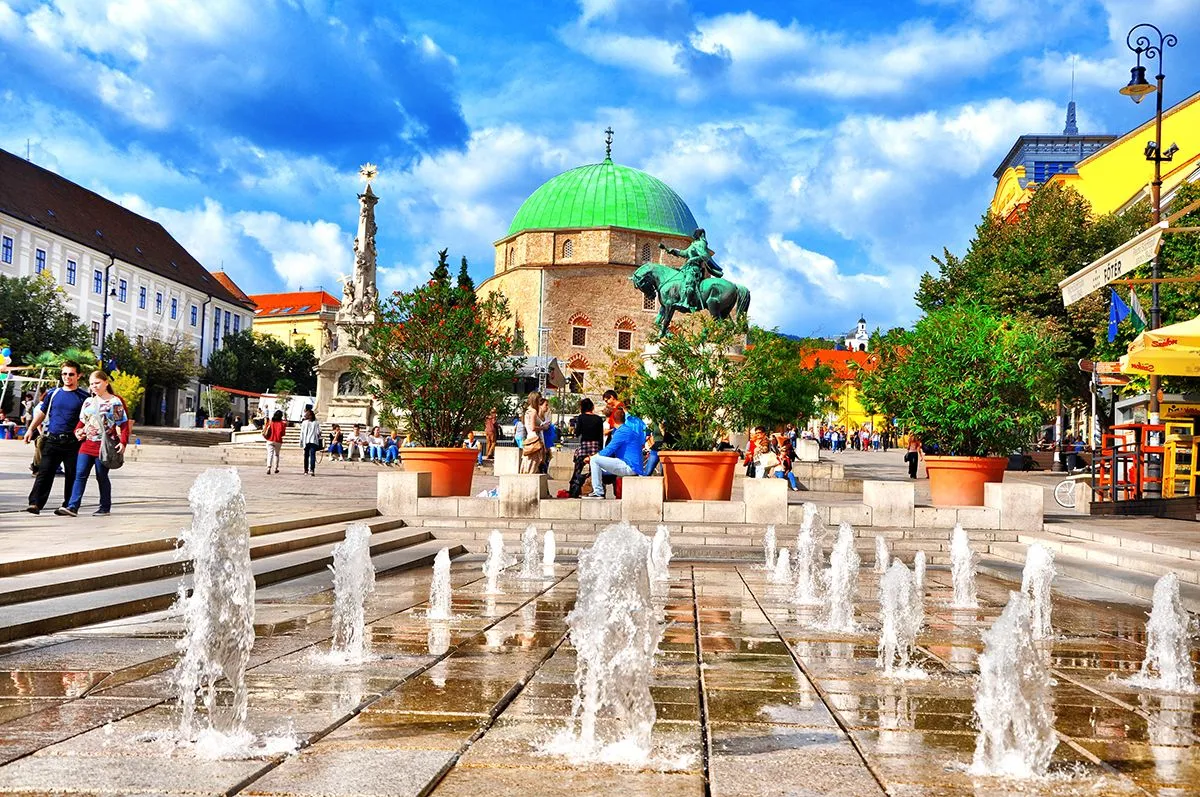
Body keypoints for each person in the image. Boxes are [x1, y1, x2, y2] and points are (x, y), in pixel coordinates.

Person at [56, 370, 130, 516]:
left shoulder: (115, 402)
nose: (94, 386)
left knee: (101, 476)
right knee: (80, 474)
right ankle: (72, 506)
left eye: (97, 383)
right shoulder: (89, 401)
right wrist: (78, 431)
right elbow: (82, 421)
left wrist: (123, 442)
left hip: (104, 446)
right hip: (87, 444)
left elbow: (123, 424)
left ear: (106, 383)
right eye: (91, 384)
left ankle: (105, 507)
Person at [23, 361, 90, 514]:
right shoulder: (53, 394)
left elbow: (89, 418)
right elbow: (41, 413)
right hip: (52, 439)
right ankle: (35, 504)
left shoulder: (84, 397)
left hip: (73, 442)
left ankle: (68, 505)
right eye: (64, 374)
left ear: (78, 376)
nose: (67, 377)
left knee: (72, 475)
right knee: (44, 473)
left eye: (71, 374)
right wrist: (30, 429)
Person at [584, 407, 646, 498]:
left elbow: (609, 450)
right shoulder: (627, 430)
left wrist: (591, 457)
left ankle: (598, 492)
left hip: (629, 466)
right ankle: (598, 490)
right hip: (633, 466)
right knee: (597, 467)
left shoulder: (622, 432)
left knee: (594, 460)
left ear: (612, 420)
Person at [569, 397, 604, 497]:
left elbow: (577, 433)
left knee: (577, 469)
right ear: (592, 407)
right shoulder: (598, 419)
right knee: (595, 470)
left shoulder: (581, 417)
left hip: (584, 447)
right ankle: (597, 490)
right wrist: (600, 449)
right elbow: (600, 436)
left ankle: (573, 491)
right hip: (595, 447)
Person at [520, 391, 545, 474]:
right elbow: (533, 427)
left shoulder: (527, 411)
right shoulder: (533, 411)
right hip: (535, 439)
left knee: (528, 461)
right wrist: (543, 427)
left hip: (529, 438)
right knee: (534, 462)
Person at [299, 409, 321, 476]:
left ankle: (306, 470)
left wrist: (301, 441)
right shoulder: (316, 423)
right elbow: (318, 432)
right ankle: (312, 470)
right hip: (313, 441)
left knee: (306, 456)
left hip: (306, 441)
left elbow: (302, 433)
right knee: (312, 455)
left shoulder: (304, 423)